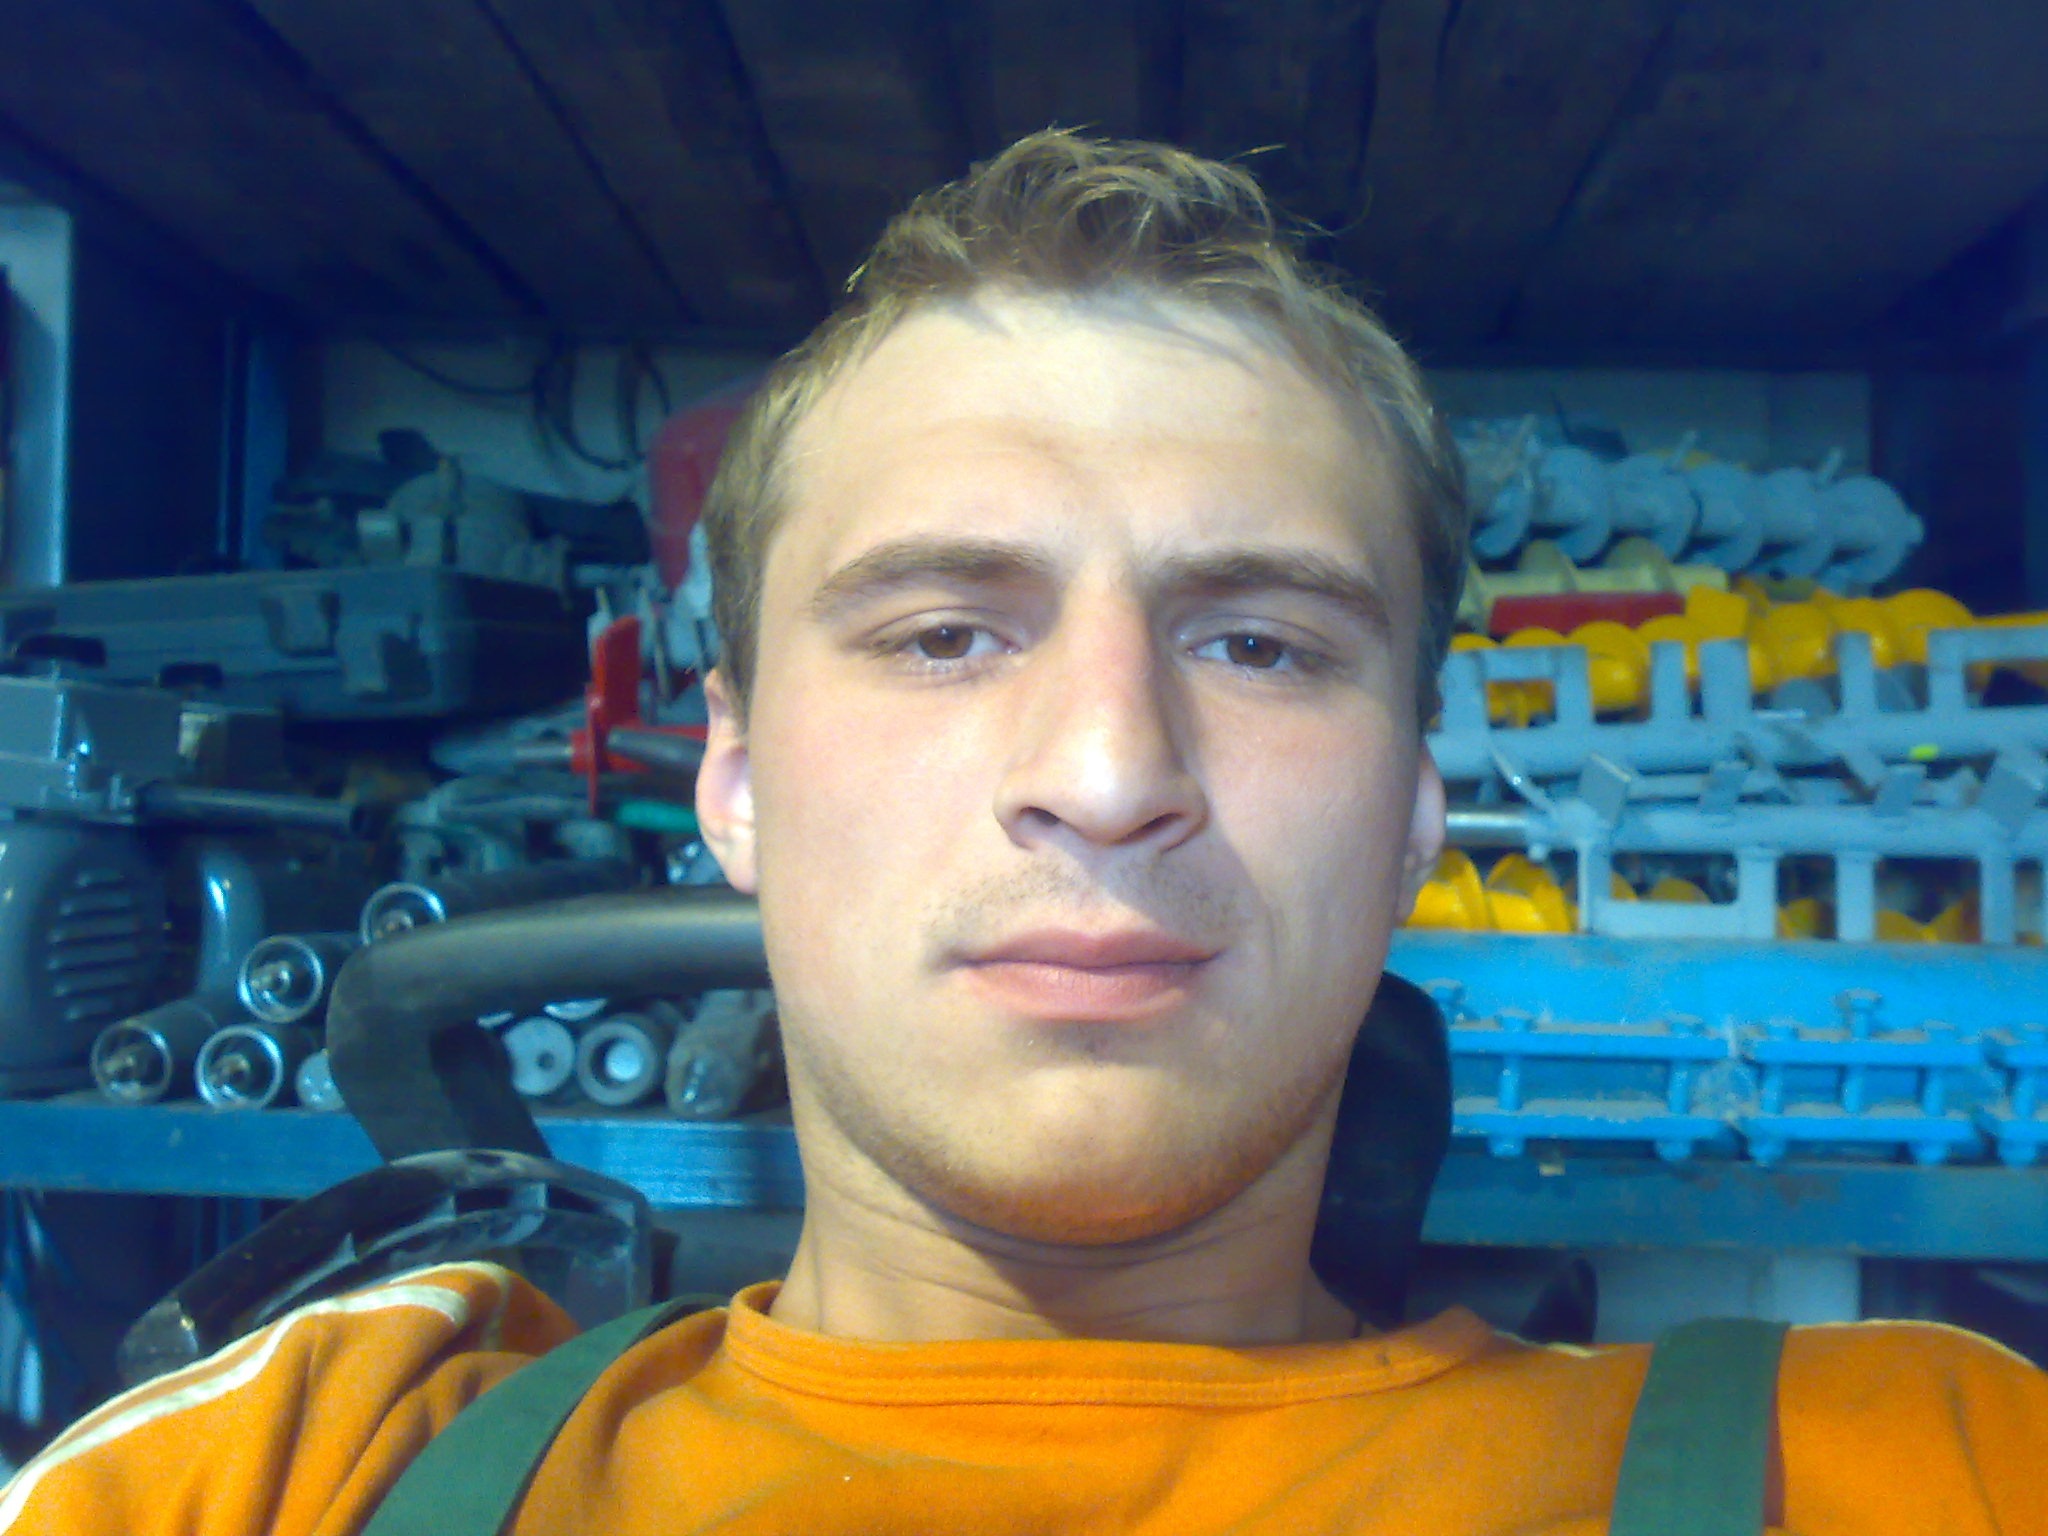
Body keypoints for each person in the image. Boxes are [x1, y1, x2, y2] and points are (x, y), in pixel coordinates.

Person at [4, 131, 2044, 1536]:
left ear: (1417, 805)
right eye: (943, 633)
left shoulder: (1918, 1468)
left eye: (1257, 642)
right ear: (731, 780)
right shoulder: (291, 1473)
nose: (1107, 766)